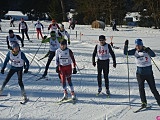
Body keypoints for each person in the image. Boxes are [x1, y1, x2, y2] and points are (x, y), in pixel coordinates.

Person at [124, 39, 160, 107]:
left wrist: (148, 50)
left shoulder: (146, 50)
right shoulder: (135, 51)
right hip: (140, 74)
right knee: (141, 89)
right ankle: (144, 102)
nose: (138, 47)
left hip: (148, 73)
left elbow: (153, 55)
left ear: (142, 45)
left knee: (153, 89)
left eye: (139, 45)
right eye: (136, 45)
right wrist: (126, 45)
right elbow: (126, 53)